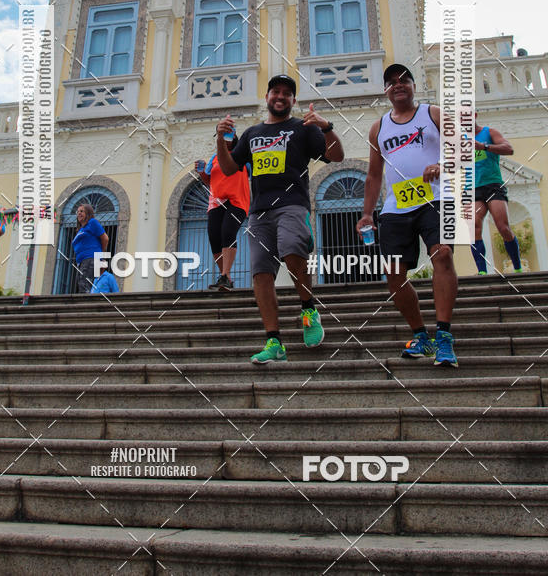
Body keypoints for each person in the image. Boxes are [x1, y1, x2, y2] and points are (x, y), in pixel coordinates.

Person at [216, 74, 344, 364]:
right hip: (259, 212)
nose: (281, 96)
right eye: (276, 91)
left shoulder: (303, 127)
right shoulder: (251, 133)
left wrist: (327, 127)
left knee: (291, 248)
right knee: (261, 273)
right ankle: (274, 341)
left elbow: (336, 156)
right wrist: (220, 138)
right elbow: (227, 168)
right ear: (268, 96)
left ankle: (308, 309)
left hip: (292, 204)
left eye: (287, 93)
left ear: (293, 100)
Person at [356, 64, 459, 367]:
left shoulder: (433, 113)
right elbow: (374, 176)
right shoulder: (378, 128)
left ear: (414, 86)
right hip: (396, 207)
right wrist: (366, 214)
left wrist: (442, 164)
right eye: (391, 82)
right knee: (393, 275)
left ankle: (443, 336)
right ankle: (420, 335)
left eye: (404, 80)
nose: (398, 85)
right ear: (385, 91)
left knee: (442, 255)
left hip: (436, 197)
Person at [195, 130, 250, 291]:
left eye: (228, 137)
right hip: (216, 202)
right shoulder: (214, 158)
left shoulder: (243, 155)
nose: (225, 141)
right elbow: (208, 180)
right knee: (214, 238)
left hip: (237, 200)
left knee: (228, 232)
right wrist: (201, 172)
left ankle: (225, 275)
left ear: (234, 139)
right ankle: (225, 277)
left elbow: (253, 174)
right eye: (221, 137)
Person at [471, 113, 521, 275]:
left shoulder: (490, 132)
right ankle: (482, 271)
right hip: (473, 188)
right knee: (474, 227)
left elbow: (509, 149)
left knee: (503, 227)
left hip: (493, 185)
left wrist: (484, 147)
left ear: (474, 115)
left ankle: (518, 266)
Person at [71, 203, 109, 294]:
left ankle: (85, 306)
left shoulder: (92, 222)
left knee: (84, 285)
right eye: (78, 212)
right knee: (84, 284)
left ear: (88, 213)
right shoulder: (81, 230)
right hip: (82, 261)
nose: (79, 213)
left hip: (90, 259)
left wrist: (101, 255)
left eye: (82, 211)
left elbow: (105, 238)